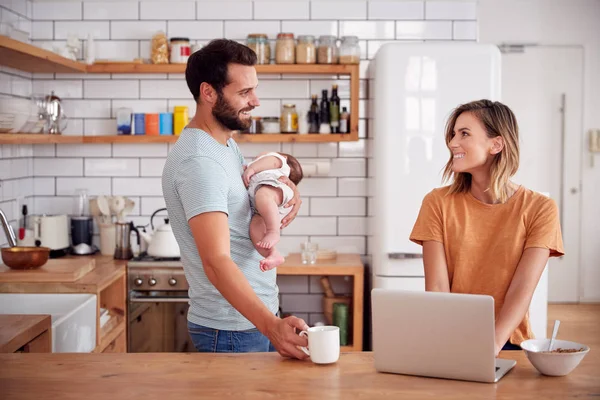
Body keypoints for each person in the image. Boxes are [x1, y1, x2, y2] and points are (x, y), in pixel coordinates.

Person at [162, 39, 309, 358]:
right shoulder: (199, 162)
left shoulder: (225, 147)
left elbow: (248, 199)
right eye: (244, 92)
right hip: (230, 330)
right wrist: (272, 326)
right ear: (209, 93)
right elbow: (216, 262)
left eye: (254, 89)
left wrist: (287, 189)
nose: (256, 101)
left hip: (248, 321)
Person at [409, 99, 564, 356]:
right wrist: (452, 345)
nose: (452, 143)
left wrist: (489, 345)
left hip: (508, 341)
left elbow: (521, 290)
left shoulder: (540, 208)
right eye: (453, 134)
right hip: (452, 337)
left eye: (464, 134)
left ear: (496, 144)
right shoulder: (437, 203)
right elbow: (437, 287)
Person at [243, 151, 304, 272]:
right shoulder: (259, 168)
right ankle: (272, 254)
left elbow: (272, 160)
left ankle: (273, 231)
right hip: (264, 201)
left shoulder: (277, 160)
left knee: (263, 195)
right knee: (255, 226)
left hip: (274, 188)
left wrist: (252, 168)